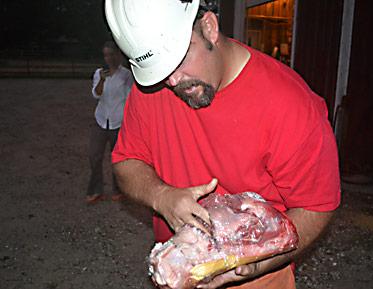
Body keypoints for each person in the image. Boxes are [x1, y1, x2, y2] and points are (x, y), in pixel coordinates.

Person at [106, 0, 340, 288]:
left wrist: (257, 262)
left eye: (179, 59)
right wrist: (161, 196)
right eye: (160, 70)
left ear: (209, 27)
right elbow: (127, 161)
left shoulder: (290, 106)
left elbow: (317, 205)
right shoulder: (152, 88)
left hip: (257, 280)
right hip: (180, 272)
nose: (173, 80)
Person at [86, 41, 134, 204]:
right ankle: (95, 190)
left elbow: (129, 99)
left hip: (117, 122)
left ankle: (117, 189)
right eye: (106, 54)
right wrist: (102, 80)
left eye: (112, 54)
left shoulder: (126, 75)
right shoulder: (99, 73)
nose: (109, 58)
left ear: (118, 55)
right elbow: (96, 95)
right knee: (94, 155)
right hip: (101, 119)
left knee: (117, 158)